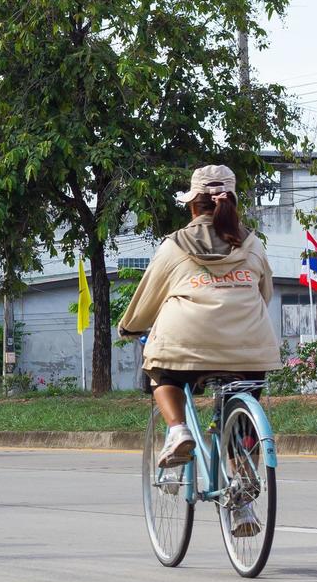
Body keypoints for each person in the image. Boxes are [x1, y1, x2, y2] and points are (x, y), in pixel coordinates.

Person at [117, 164, 280, 537]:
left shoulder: (174, 245)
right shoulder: (253, 244)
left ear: (193, 206)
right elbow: (265, 294)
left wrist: (131, 325)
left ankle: (176, 431)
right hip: (248, 347)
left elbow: (147, 299)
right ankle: (242, 502)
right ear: (233, 202)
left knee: (162, 373)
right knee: (239, 419)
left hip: (187, 341)